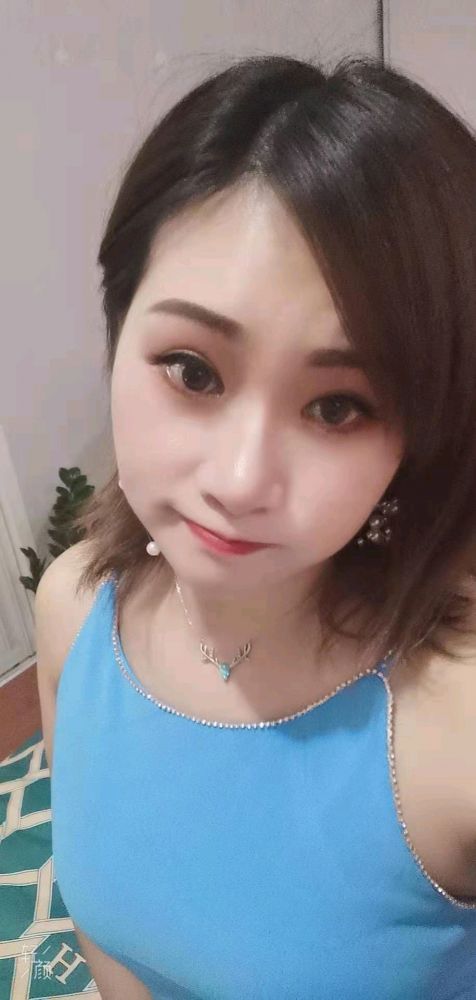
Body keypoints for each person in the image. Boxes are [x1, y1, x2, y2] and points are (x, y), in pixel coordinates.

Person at [38, 52, 476, 999]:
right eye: (193, 371)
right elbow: (111, 940)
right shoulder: (73, 608)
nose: (240, 482)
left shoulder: (455, 723)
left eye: (337, 407)